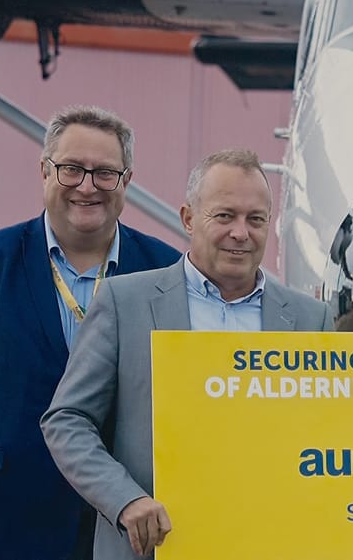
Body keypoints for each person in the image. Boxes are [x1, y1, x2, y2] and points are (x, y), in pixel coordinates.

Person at [41, 148, 333, 560]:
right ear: (189, 218)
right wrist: (126, 500)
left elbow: (330, 438)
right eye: (224, 216)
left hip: (271, 545)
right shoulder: (126, 303)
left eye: (256, 219)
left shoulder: (310, 319)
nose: (240, 232)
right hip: (153, 548)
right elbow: (67, 421)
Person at [0, 106, 180, 560]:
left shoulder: (167, 271)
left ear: (126, 181)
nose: (86, 186)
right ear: (44, 171)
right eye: (71, 169)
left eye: (104, 173)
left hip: (132, 532)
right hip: (9, 527)